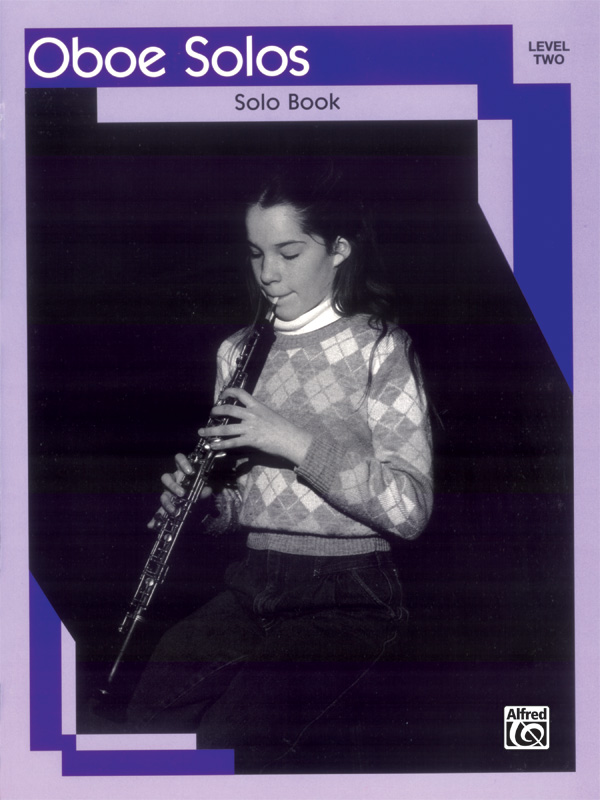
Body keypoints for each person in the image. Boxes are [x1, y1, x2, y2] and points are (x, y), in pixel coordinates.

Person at [127, 162, 434, 772]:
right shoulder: (237, 352)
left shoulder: (380, 347)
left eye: (289, 253)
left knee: (231, 737)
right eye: (256, 253)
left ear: (339, 250)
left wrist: (292, 440)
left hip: (350, 595)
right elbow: (243, 501)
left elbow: (410, 508)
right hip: (253, 583)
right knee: (148, 713)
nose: (268, 273)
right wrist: (204, 503)